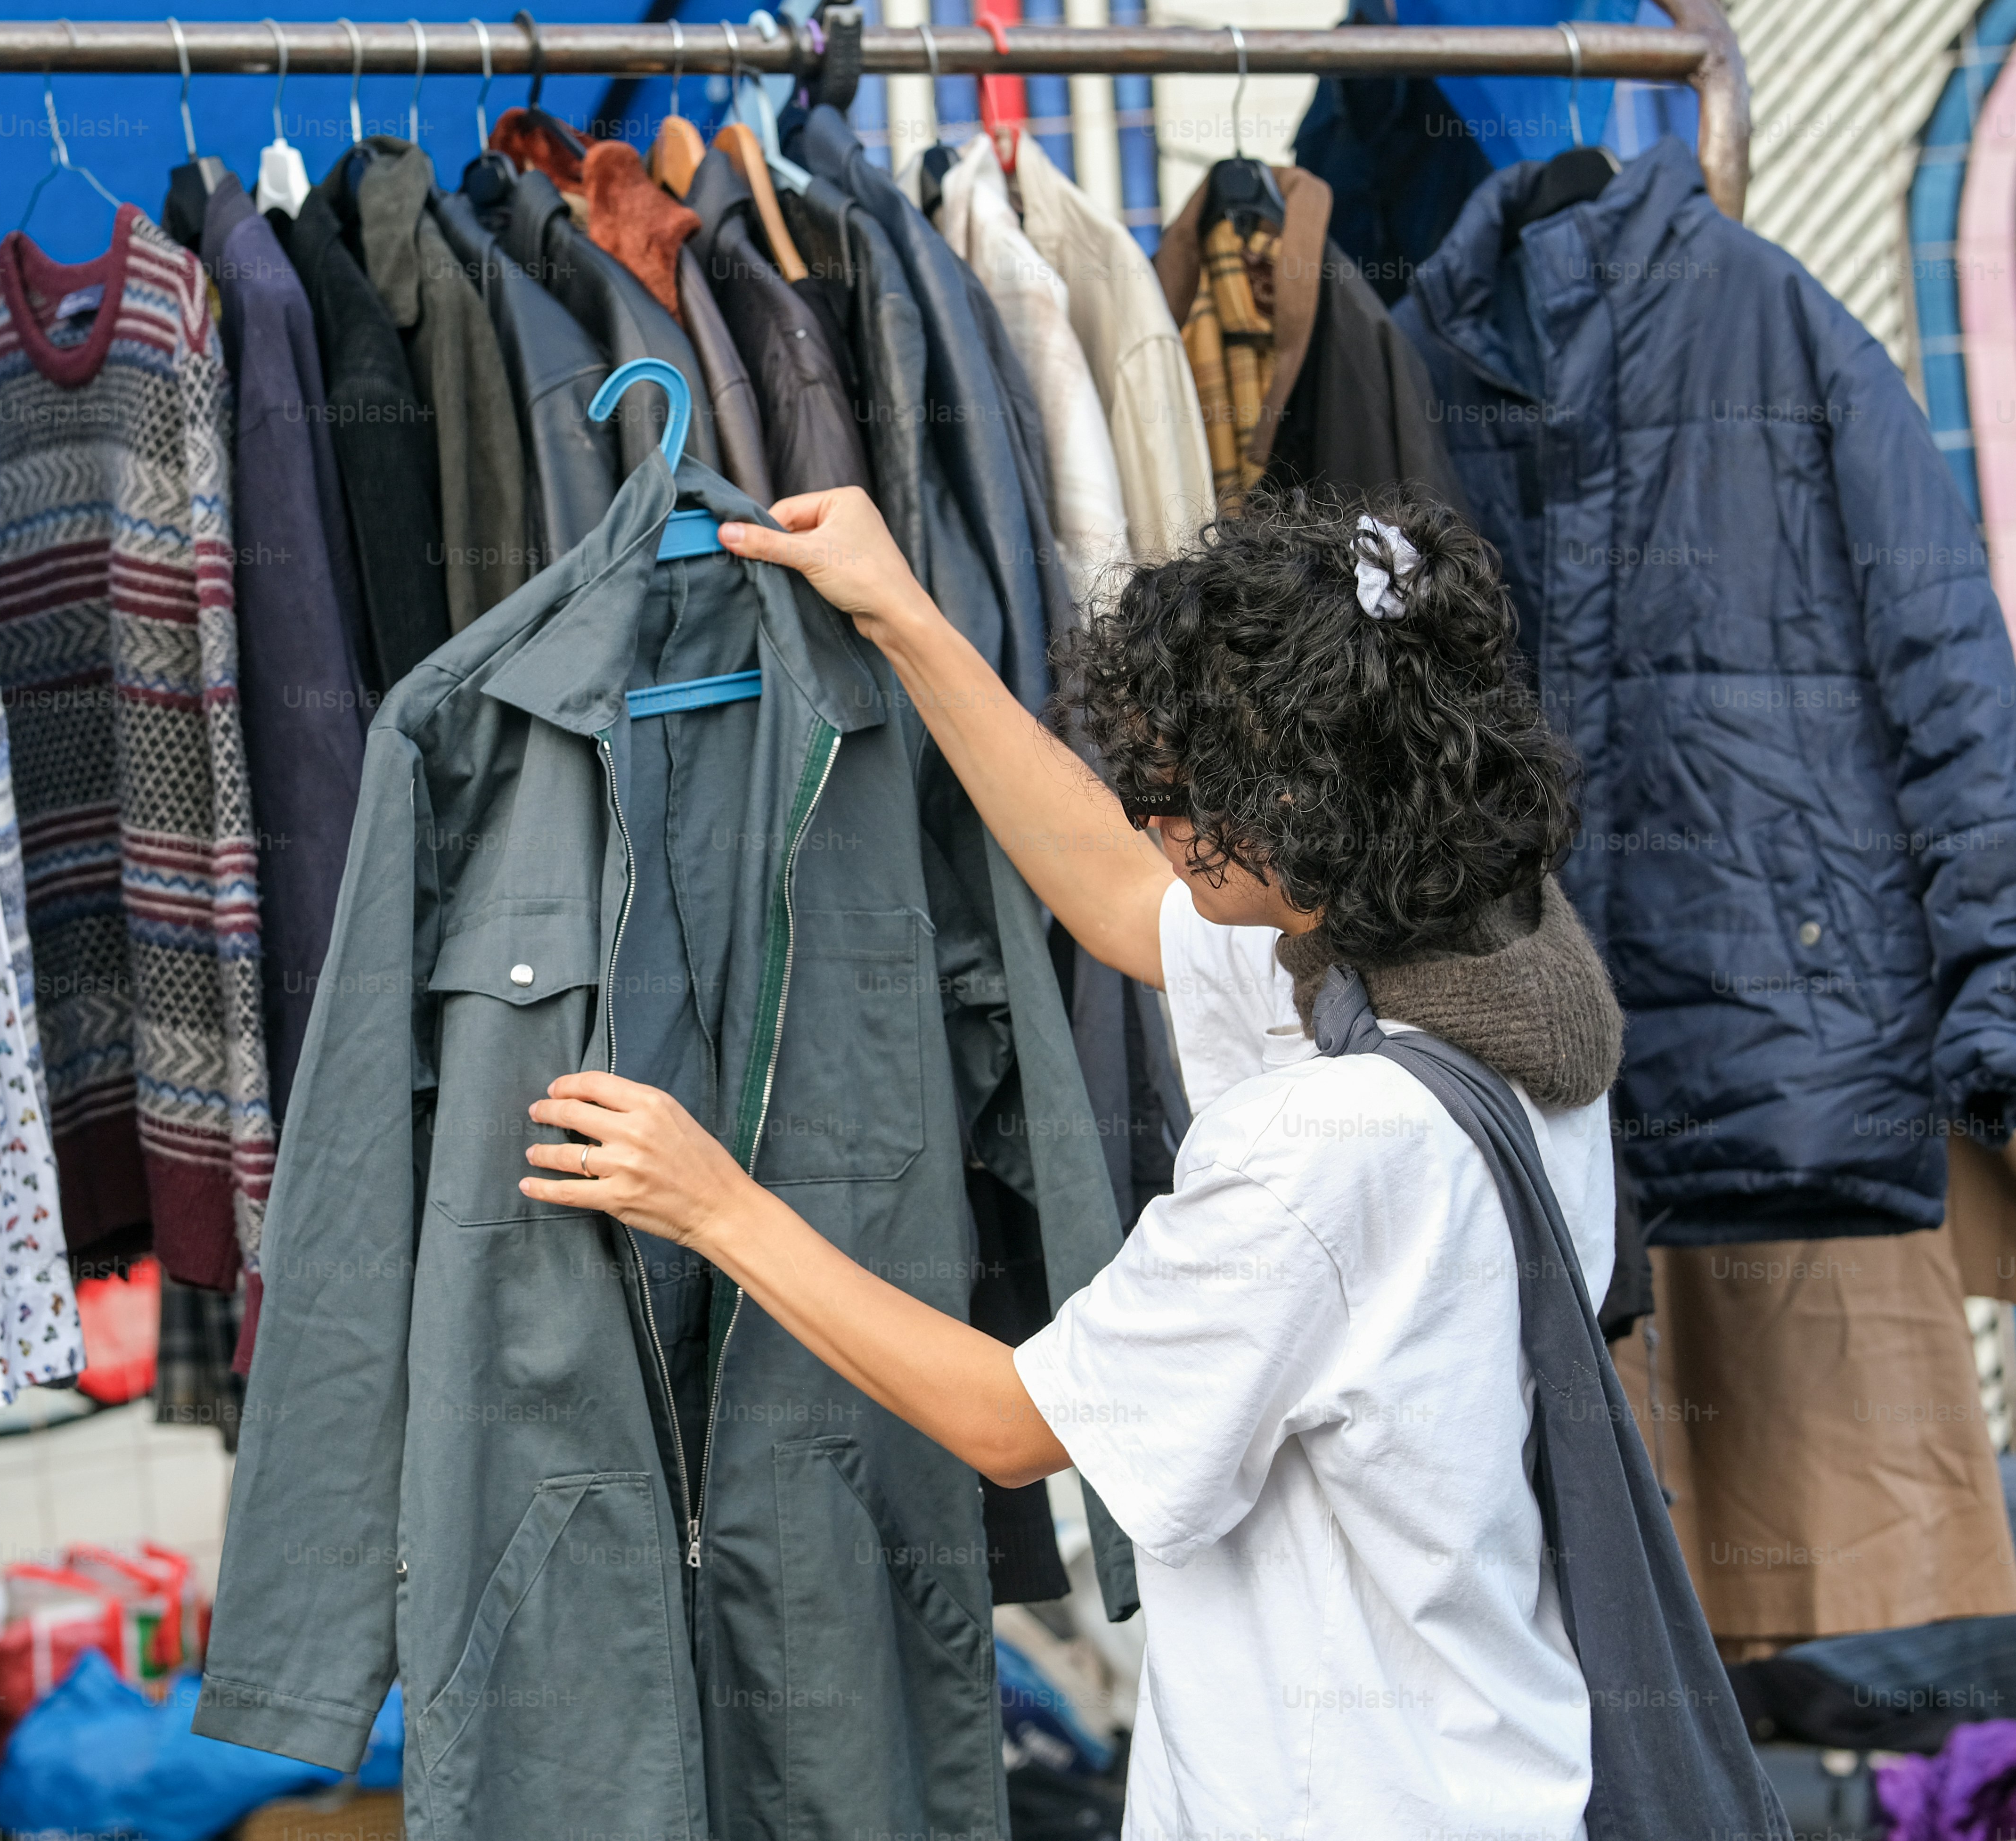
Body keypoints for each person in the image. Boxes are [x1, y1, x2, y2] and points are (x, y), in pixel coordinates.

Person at [519, 485, 1624, 1839]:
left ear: (1300, 806)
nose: (1152, 815)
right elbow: (1114, 895)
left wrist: (718, 1206)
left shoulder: (1331, 1148)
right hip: (1488, 1751)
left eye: (1178, 791)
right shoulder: (1493, 964)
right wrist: (906, 616)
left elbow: (1009, 1423)